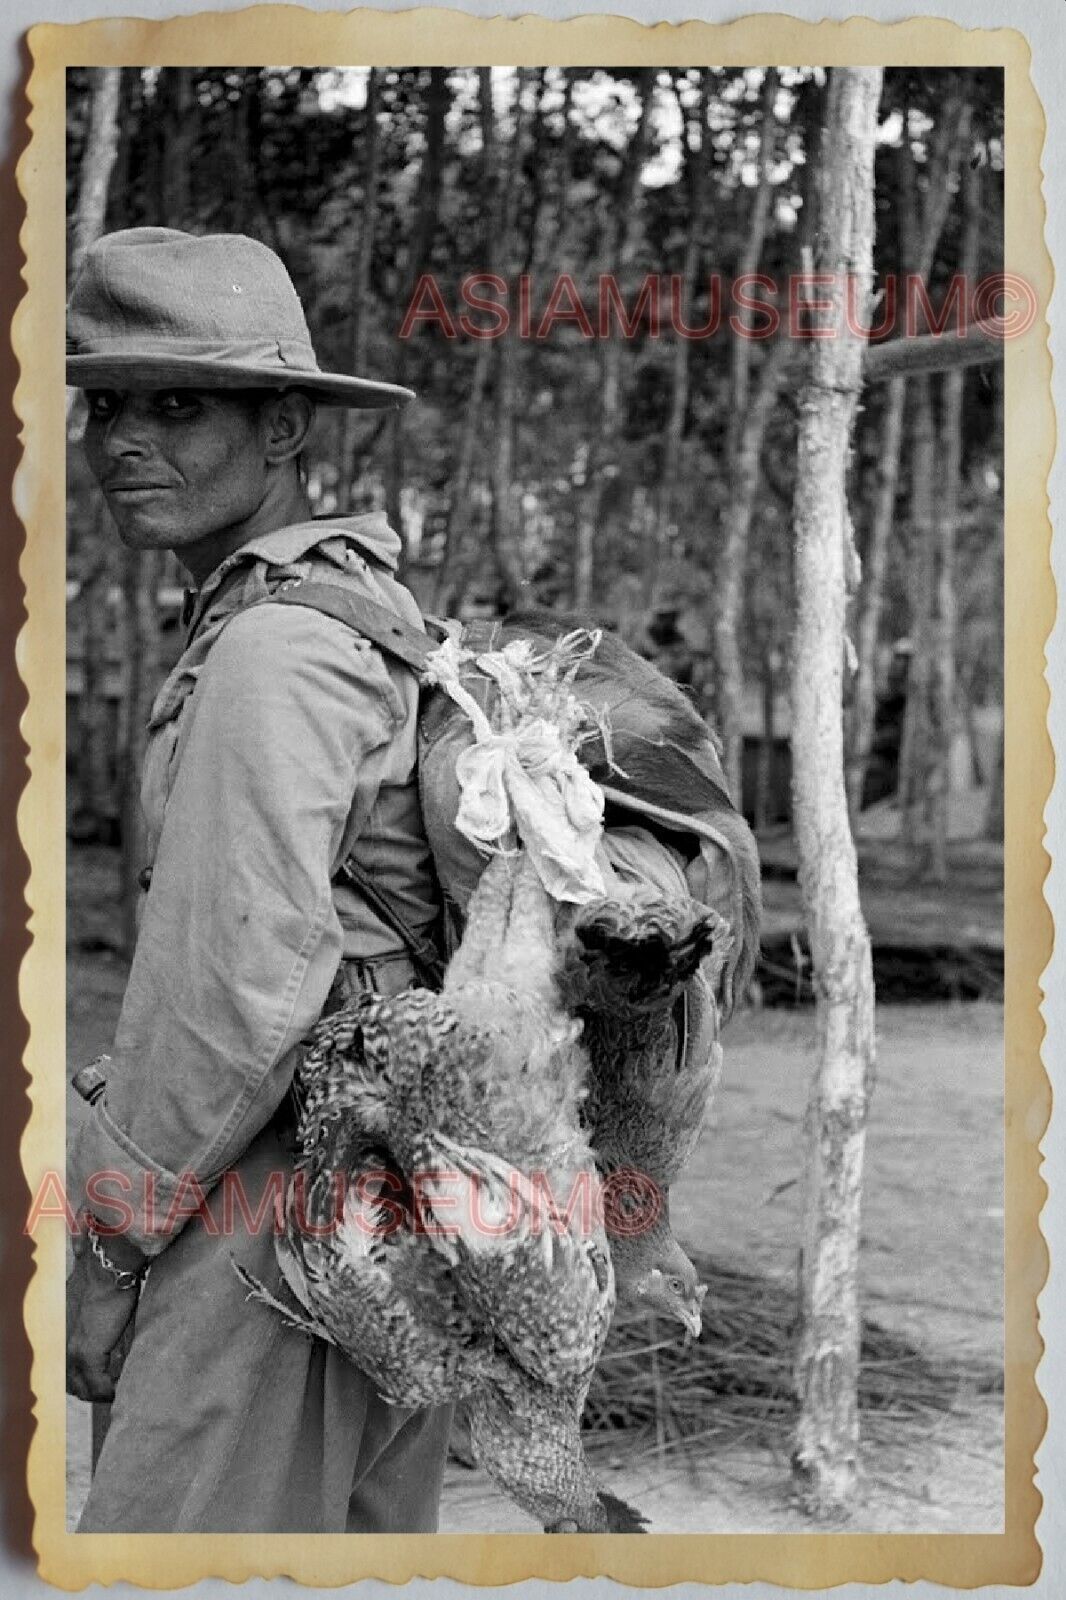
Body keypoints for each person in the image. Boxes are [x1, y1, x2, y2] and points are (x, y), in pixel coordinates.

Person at [64, 227, 454, 1533]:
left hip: (266, 1211)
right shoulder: (350, 607)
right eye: (108, 407)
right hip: (379, 1195)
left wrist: (110, 1242)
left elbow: (239, 988)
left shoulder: (272, 647)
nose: (124, 443)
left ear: (284, 425)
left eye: (180, 406)